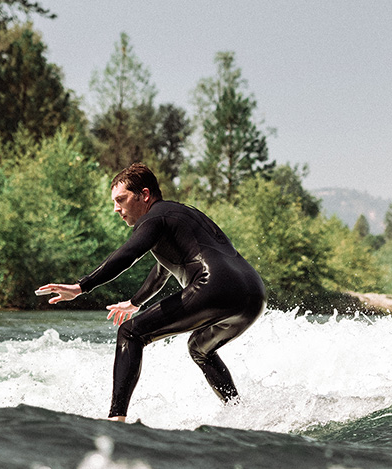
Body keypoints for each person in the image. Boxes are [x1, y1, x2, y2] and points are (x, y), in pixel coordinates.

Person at [37, 163, 265, 421]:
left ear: (144, 195)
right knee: (200, 348)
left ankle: (116, 420)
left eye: (121, 200)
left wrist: (81, 286)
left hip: (214, 286)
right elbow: (163, 268)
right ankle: (241, 414)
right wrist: (135, 302)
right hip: (253, 295)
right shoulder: (178, 215)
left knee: (130, 333)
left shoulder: (153, 217)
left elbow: (128, 254)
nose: (116, 209)